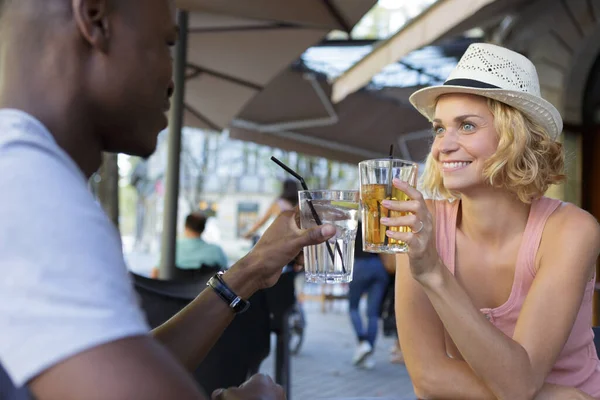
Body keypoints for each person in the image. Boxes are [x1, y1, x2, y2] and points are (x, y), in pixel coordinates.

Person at [0, 1, 336, 399]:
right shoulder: (31, 189)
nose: (172, 80)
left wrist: (251, 270)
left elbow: (123, 370)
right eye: (166, 44)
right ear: (94, 18)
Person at [384, 43, 600, 399]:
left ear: (514, 137)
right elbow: (427, 378)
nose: (442, 147)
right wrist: (557, 397)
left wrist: (433, 274)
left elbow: (520, 382)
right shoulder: (422, 224)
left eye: (466, 126)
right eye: (439, 129)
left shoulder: (571, 231)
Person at [348, 222, 390, 369]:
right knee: (373, 313)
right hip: (378, 266)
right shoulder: (376, 220)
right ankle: (368, 351)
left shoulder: (352, 222)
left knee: (353, 307)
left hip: (358, 265)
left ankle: (362, 342)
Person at [151, 212, 228, 277]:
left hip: (172, 292)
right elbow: (227, 274)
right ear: (203, 229)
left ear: (186, 227)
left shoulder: (171, 248)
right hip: (205, 293)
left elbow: (155, 273)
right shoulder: (216, 251)